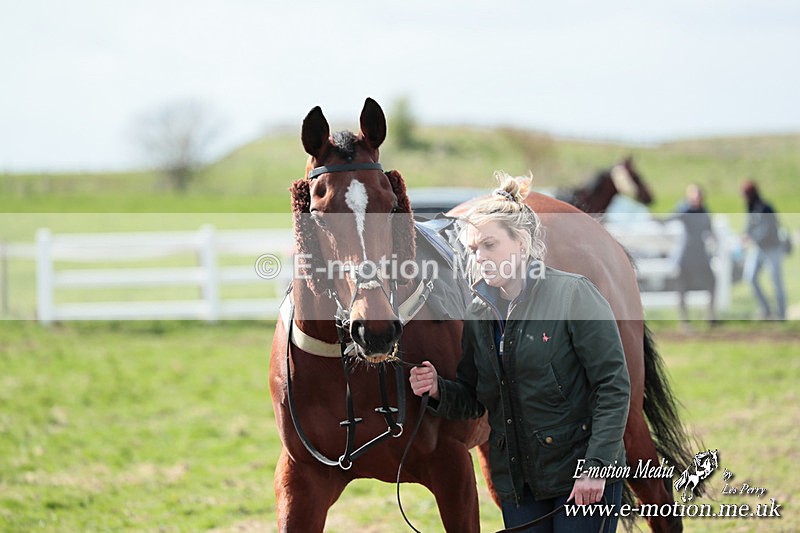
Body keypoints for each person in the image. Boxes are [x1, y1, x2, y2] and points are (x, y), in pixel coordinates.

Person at [409, 173, 631, 532]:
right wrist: (437, 390)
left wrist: (597, 467)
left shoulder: (574, 295)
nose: (478, 257)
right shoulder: (478, 313)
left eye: (489, 245)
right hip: (519, 487)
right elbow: (473, 398)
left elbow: (613, 386)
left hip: (583, 481)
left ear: (522, 243)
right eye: (472, 249)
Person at [660, 184, 717, 325]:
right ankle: (684, 320)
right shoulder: (685, 211)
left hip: (701, 255)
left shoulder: (705, 212)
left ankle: (710, 317)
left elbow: (710, 230)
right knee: (682, 287)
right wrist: (655, 219)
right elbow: (670, 218)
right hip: (686, 256)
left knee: (712, 283)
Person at [741, 180, 786, 320]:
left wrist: (752, 238)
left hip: (772, 248)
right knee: (750, 277)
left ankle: (781, 314)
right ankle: (766, 309)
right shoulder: (751, 206)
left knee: (776, 281)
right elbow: (750, 225)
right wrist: (744, 236)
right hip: (759, 248)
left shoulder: (765, 207)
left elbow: (767, 229)